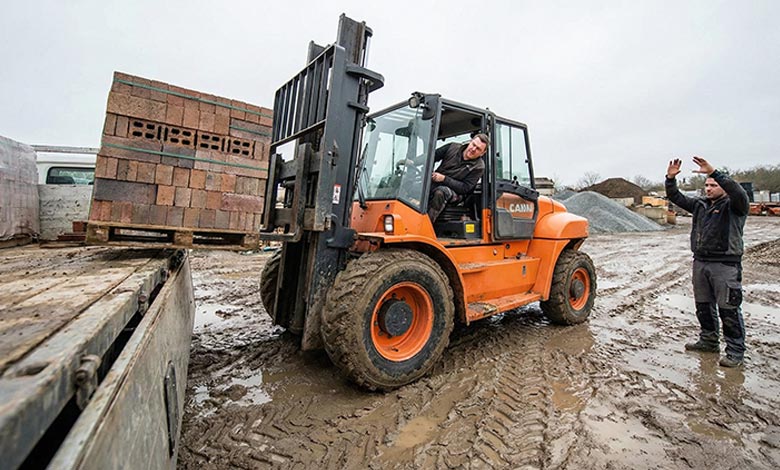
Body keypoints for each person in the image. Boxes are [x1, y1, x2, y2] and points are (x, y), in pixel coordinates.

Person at [665, 156, 749, 367]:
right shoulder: (700, 205)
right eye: (707, 185)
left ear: (724, 187)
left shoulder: (735, 205)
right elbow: (676, 197)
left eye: (713, 185)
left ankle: (735, 351)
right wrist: (670, 179)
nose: (709, 188)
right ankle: (709, 340)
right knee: (703, 305)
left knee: (728, 308)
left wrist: (714, 172)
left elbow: (738, 191)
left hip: (725, 265)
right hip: (701, 262)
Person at [426, 133, 488, 223]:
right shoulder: (452, 147)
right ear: (470, 142)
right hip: (436, 183)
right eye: (473, 145)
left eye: (478, 149)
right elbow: (431, 156)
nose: (473, 149)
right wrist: (413, 161)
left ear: (483, 153)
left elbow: (465, 188)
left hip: (457, 193)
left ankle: (426, 224)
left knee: (441, 192)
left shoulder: (478, 167)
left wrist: (444, 179)